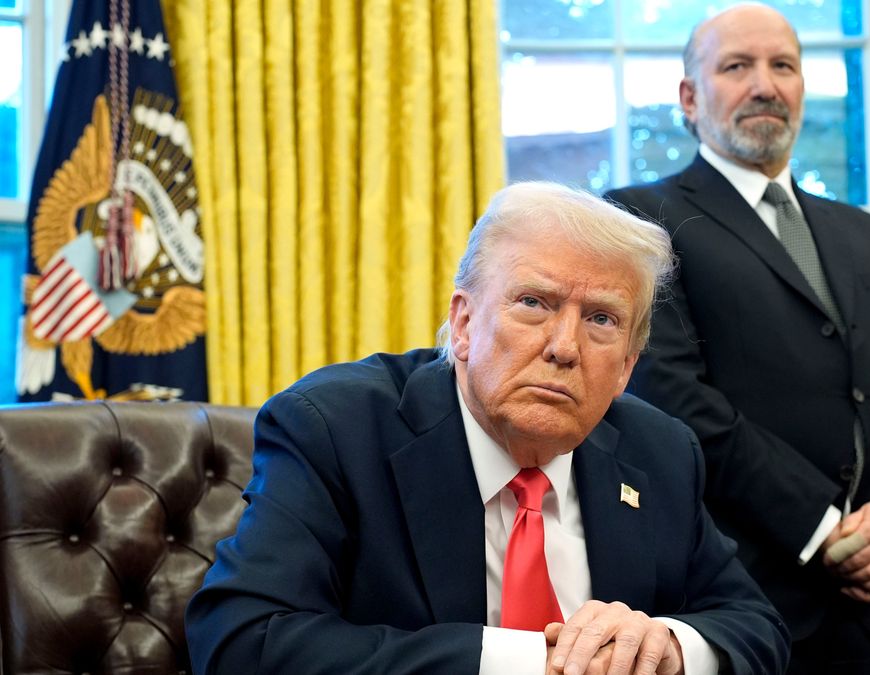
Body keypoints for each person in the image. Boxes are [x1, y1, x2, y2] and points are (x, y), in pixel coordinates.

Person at [185, 181, 789, 675]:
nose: (564, 347)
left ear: (628, 367)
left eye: (601, 319)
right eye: (534, 303)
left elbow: (755, 626)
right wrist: (526, 661)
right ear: (465, 322)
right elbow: (242, 642)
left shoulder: (659, 451)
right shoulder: (335, 429)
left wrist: (668, 645)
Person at [605, 5, 870, 674]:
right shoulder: (641, 221)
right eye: (737, 66)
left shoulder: (866, 233)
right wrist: (825, 529)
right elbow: (674, 399)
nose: (764, 84)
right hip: (739, 599)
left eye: (783, 66)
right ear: (689, 96)